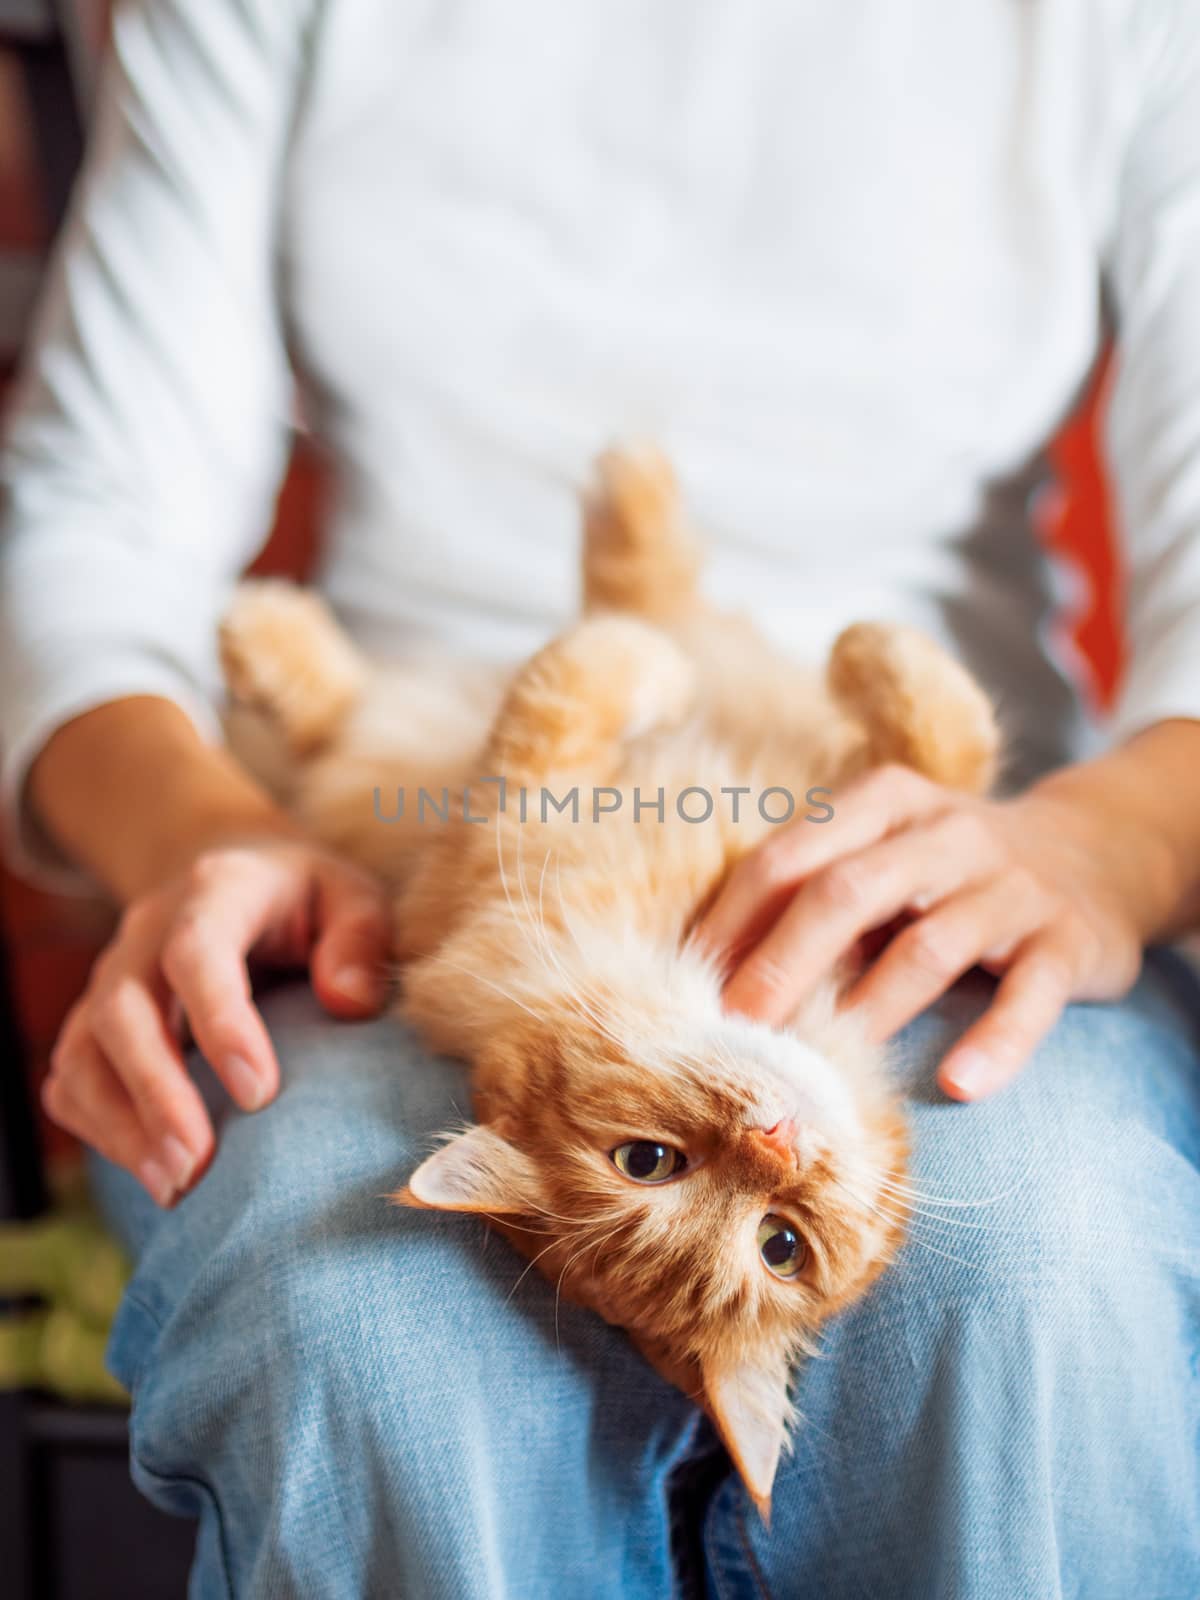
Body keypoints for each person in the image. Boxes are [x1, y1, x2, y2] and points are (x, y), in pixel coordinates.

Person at [2, 1, 1199, 1594]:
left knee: (1042, 1261)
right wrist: (203, 837)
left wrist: (1113, 839)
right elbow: (95, 521)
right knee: (356, 1315)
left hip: (930, 830)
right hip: (414, 807)